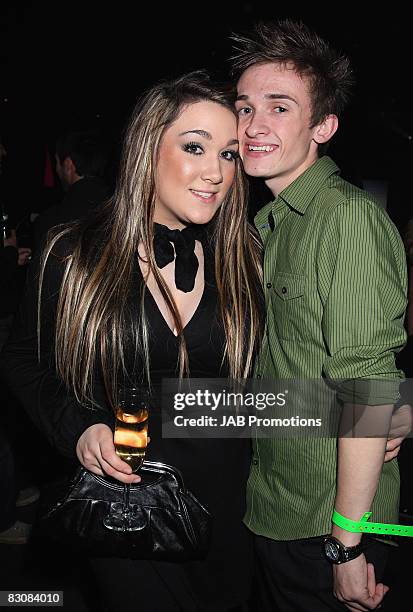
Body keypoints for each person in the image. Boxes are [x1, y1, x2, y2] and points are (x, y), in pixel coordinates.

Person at [0, 71, 262, 611]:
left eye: (230, 155)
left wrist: (379, 415)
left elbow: (259, 396)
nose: (215, 172)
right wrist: (78, 429)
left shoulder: (246, 259)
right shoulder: (72, 253)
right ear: (148, 149)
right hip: (126, 508)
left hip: (230, 509)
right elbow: (23, 358)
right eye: (195, 147)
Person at [230, 19, 408, 612]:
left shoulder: (346, 220)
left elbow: (366, 386)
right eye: (245, 107)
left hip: (330, 528)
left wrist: (348, 546)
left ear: (323, 127)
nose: (254, 126)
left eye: (279, 108)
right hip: (277, 508)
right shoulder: (269, 225)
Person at [31, 130, 110, 252]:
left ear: (68, 165)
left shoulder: (51, 223)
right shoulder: (121, 210)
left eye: (56, 162)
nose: (56, 169)